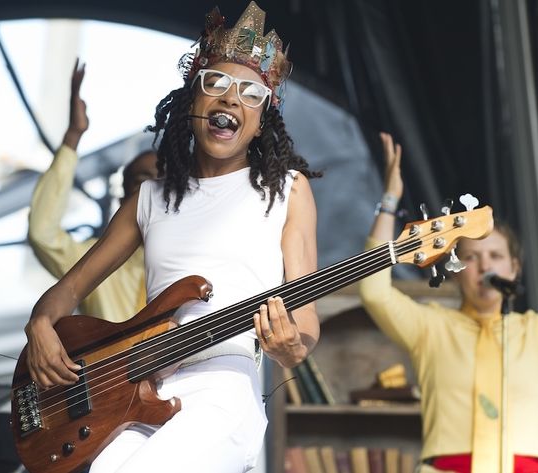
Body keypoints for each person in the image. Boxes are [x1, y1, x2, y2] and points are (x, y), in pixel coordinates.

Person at [23, 2, 320, 471]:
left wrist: (292, 347)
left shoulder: (287, 191)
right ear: (192, 101)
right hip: (142, 390)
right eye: (216, 85)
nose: (229, 100)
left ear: (261, 119)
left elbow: (305, 322)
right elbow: (69, 290)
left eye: (249, 93)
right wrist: (40, 323)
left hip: (224, 387)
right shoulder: (147, 199)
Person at [359, 133, 538, 473]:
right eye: (472, 257)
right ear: (457, 271)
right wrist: (389, 201)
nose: (486, 266)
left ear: (514, 268)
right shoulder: (431, 328)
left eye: (496, 256)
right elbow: (374, 291)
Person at [27, 59, 157, 322]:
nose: (155, 192)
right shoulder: (95, 261)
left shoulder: (191, 258)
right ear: (124, 197)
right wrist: (73, 136)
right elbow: (43, 234)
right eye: (144, 182)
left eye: (165, 183)